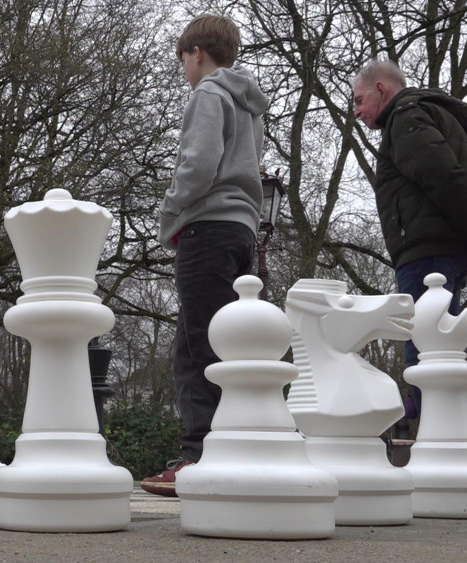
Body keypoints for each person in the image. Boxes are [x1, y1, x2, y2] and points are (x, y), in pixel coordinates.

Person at [141, 14, 268, 497]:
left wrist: (169, 213)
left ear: (196, 53)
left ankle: (200, 455)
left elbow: (198, 165)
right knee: (226, 345)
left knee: (197, 348)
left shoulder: (209, 94)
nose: (185, 73)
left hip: (206, 229)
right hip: (240, 229)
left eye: (183, 62)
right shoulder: (250, 106)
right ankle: (233, 445)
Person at [352, 60, 467, 419]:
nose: (356, 112)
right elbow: (464, 179)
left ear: (382, 90)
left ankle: (422, 429)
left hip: (427, 255)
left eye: (359, 101)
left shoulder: (405, 119)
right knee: (441, 347)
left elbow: (445, 178)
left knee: (424, 349)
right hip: (444, 250)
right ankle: (433, 425)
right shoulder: (433, 116)